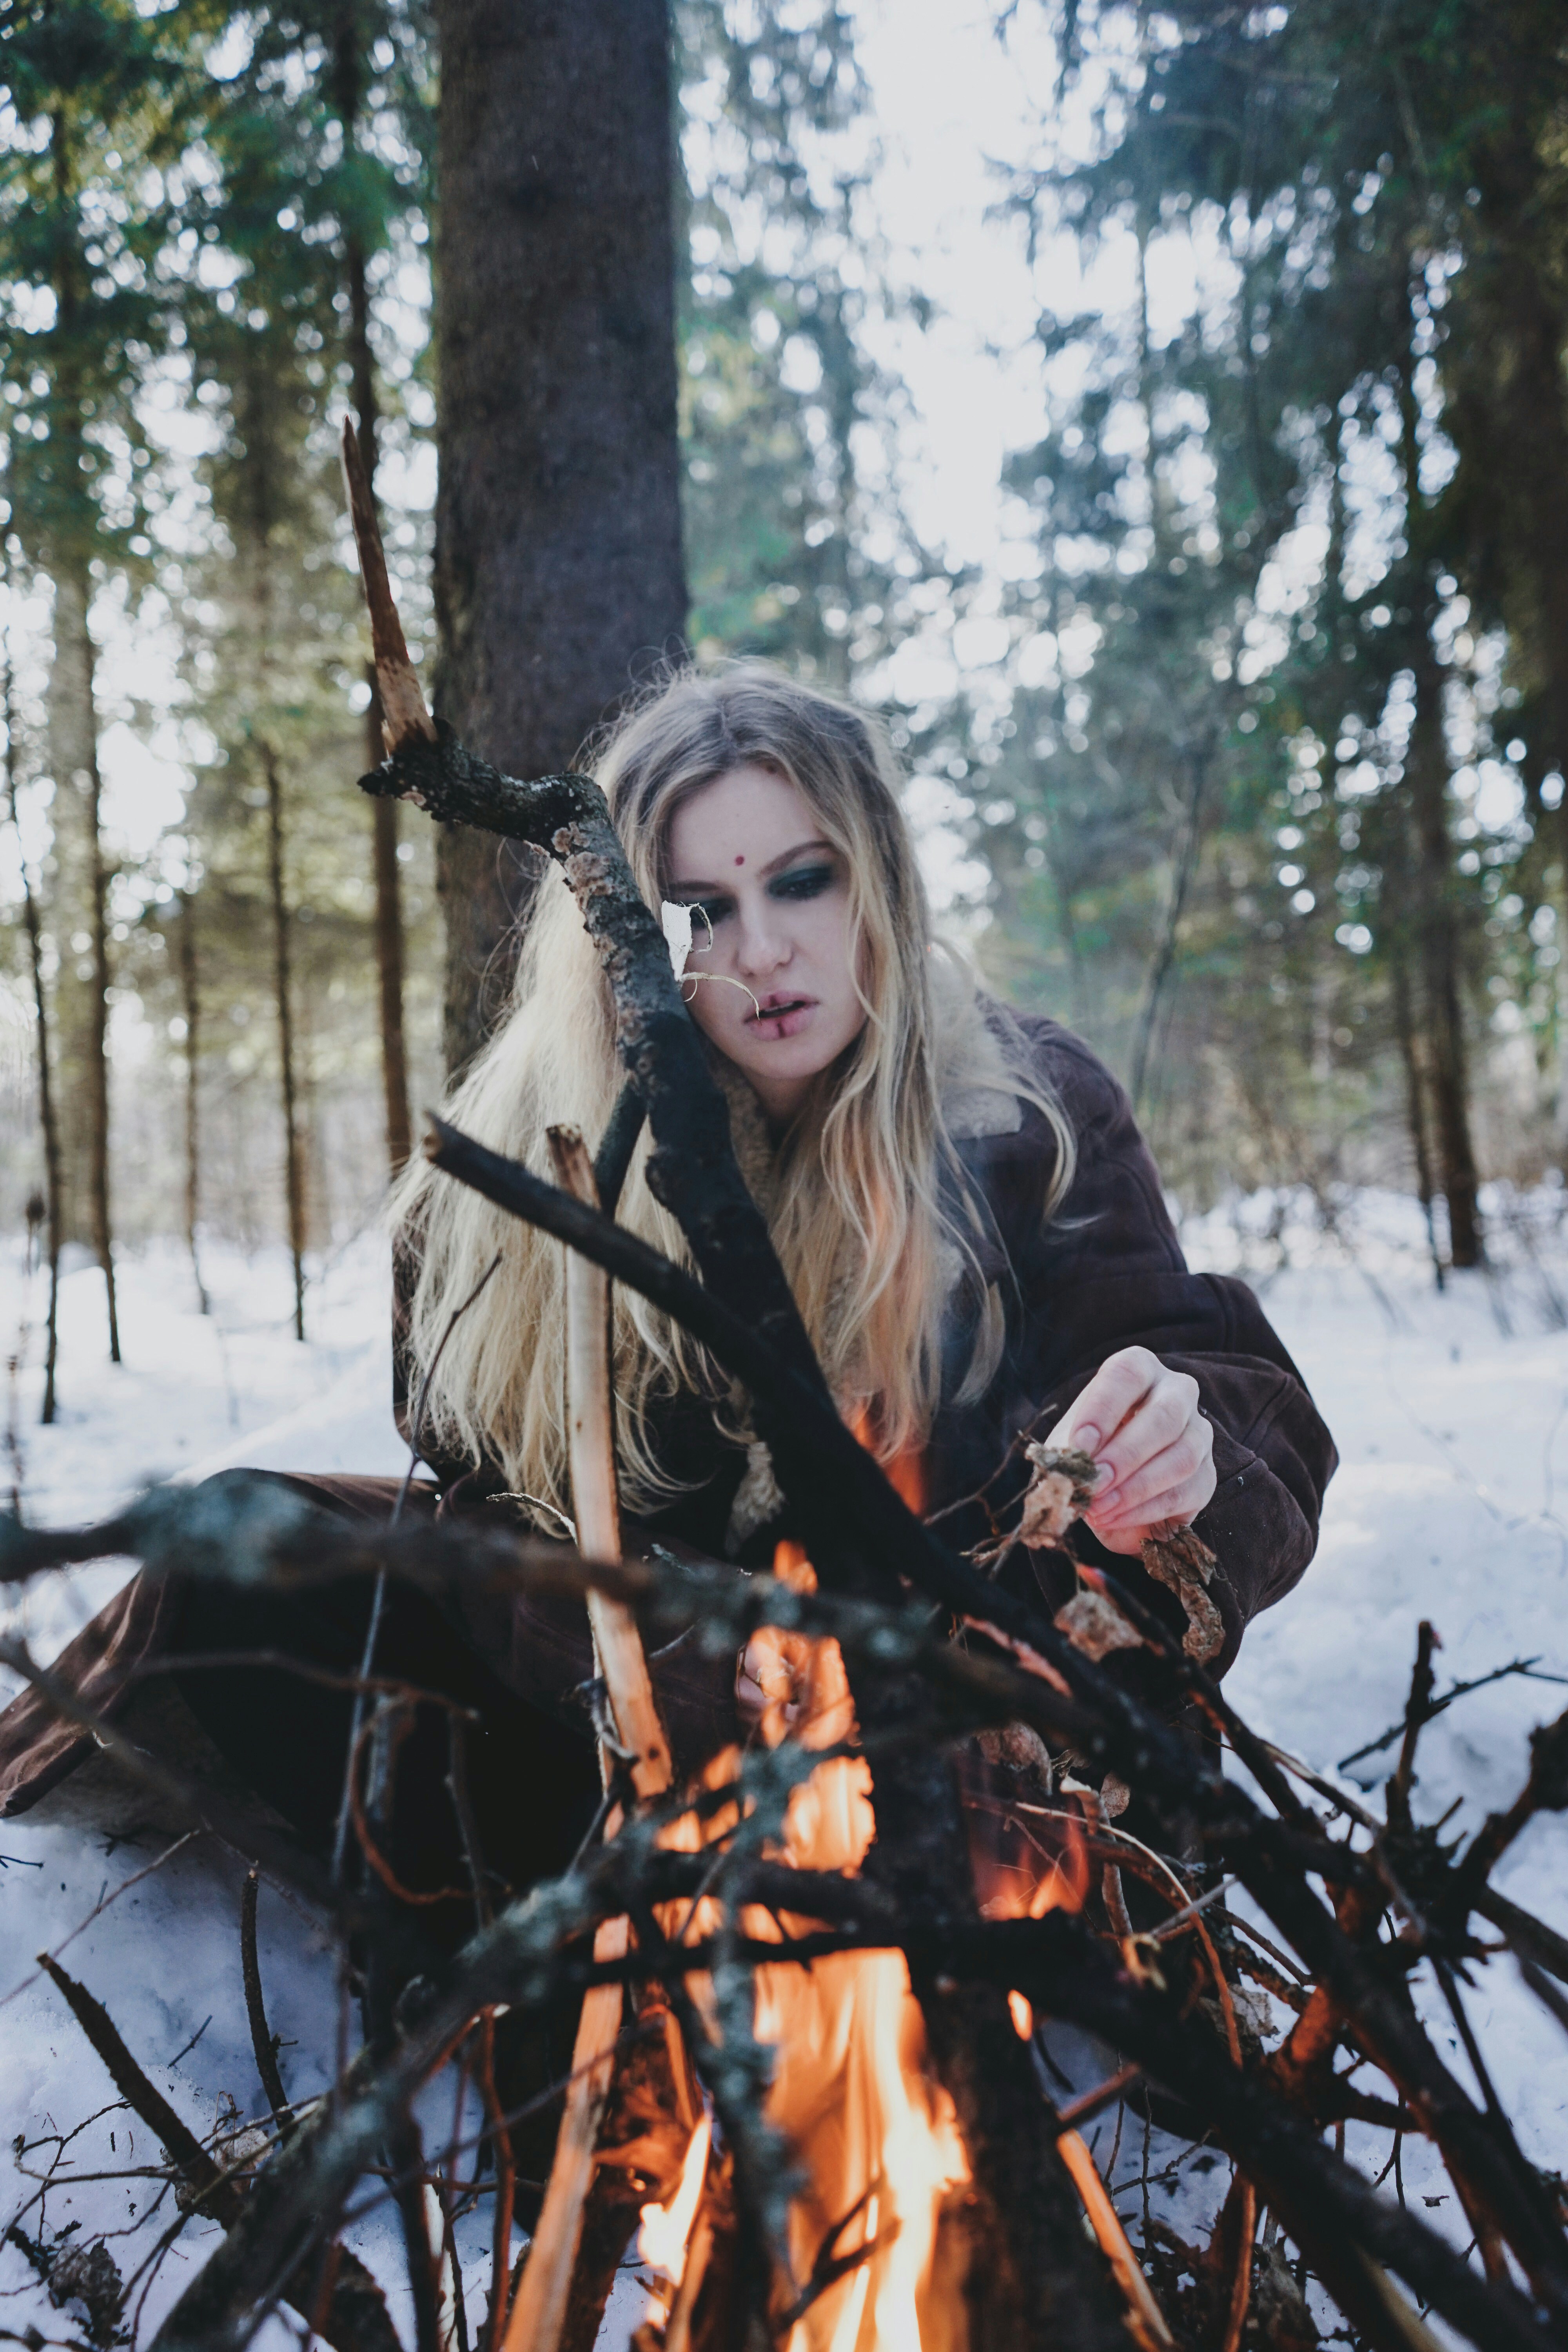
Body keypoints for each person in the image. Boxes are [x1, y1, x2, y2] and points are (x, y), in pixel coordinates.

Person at [0, 664, 1335, 1926]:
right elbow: (484, 1508)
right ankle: (544, 1971)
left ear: (874, 880)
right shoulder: (517, 1159)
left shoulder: (1022, 1103)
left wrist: (1184, 1442)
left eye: (801, 883)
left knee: (1071, 1736)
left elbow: (1182, 1366)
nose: (759, 952)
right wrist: (689, 1650)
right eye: (699, 909)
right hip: (622, 1745)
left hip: (966, 1737)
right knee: (246, 1562)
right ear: (617, 929)